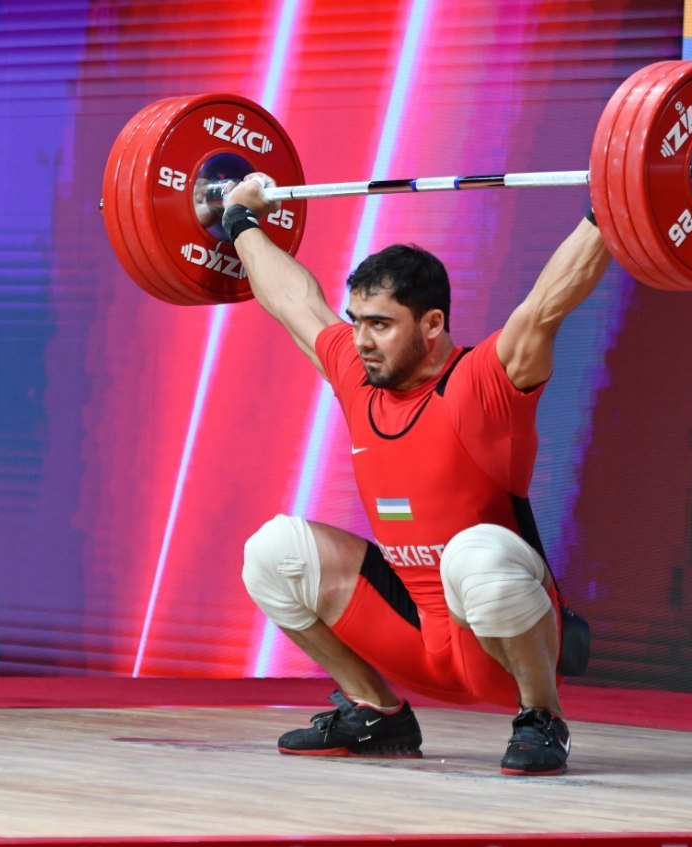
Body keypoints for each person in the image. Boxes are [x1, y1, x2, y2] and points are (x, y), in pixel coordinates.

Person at [223, 173, 610, 775]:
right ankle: (376, 713)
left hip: (501, 640)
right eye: (356, 321)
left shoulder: (482, 383)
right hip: (417, 637)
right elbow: (293, 301)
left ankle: (541, 716)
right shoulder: (359, 376)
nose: (361, 340)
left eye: (380, 324)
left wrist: (612, 207)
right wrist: (239, 222)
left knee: (475, 554)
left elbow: (547, 303)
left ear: (431, 325)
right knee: (271, 552)